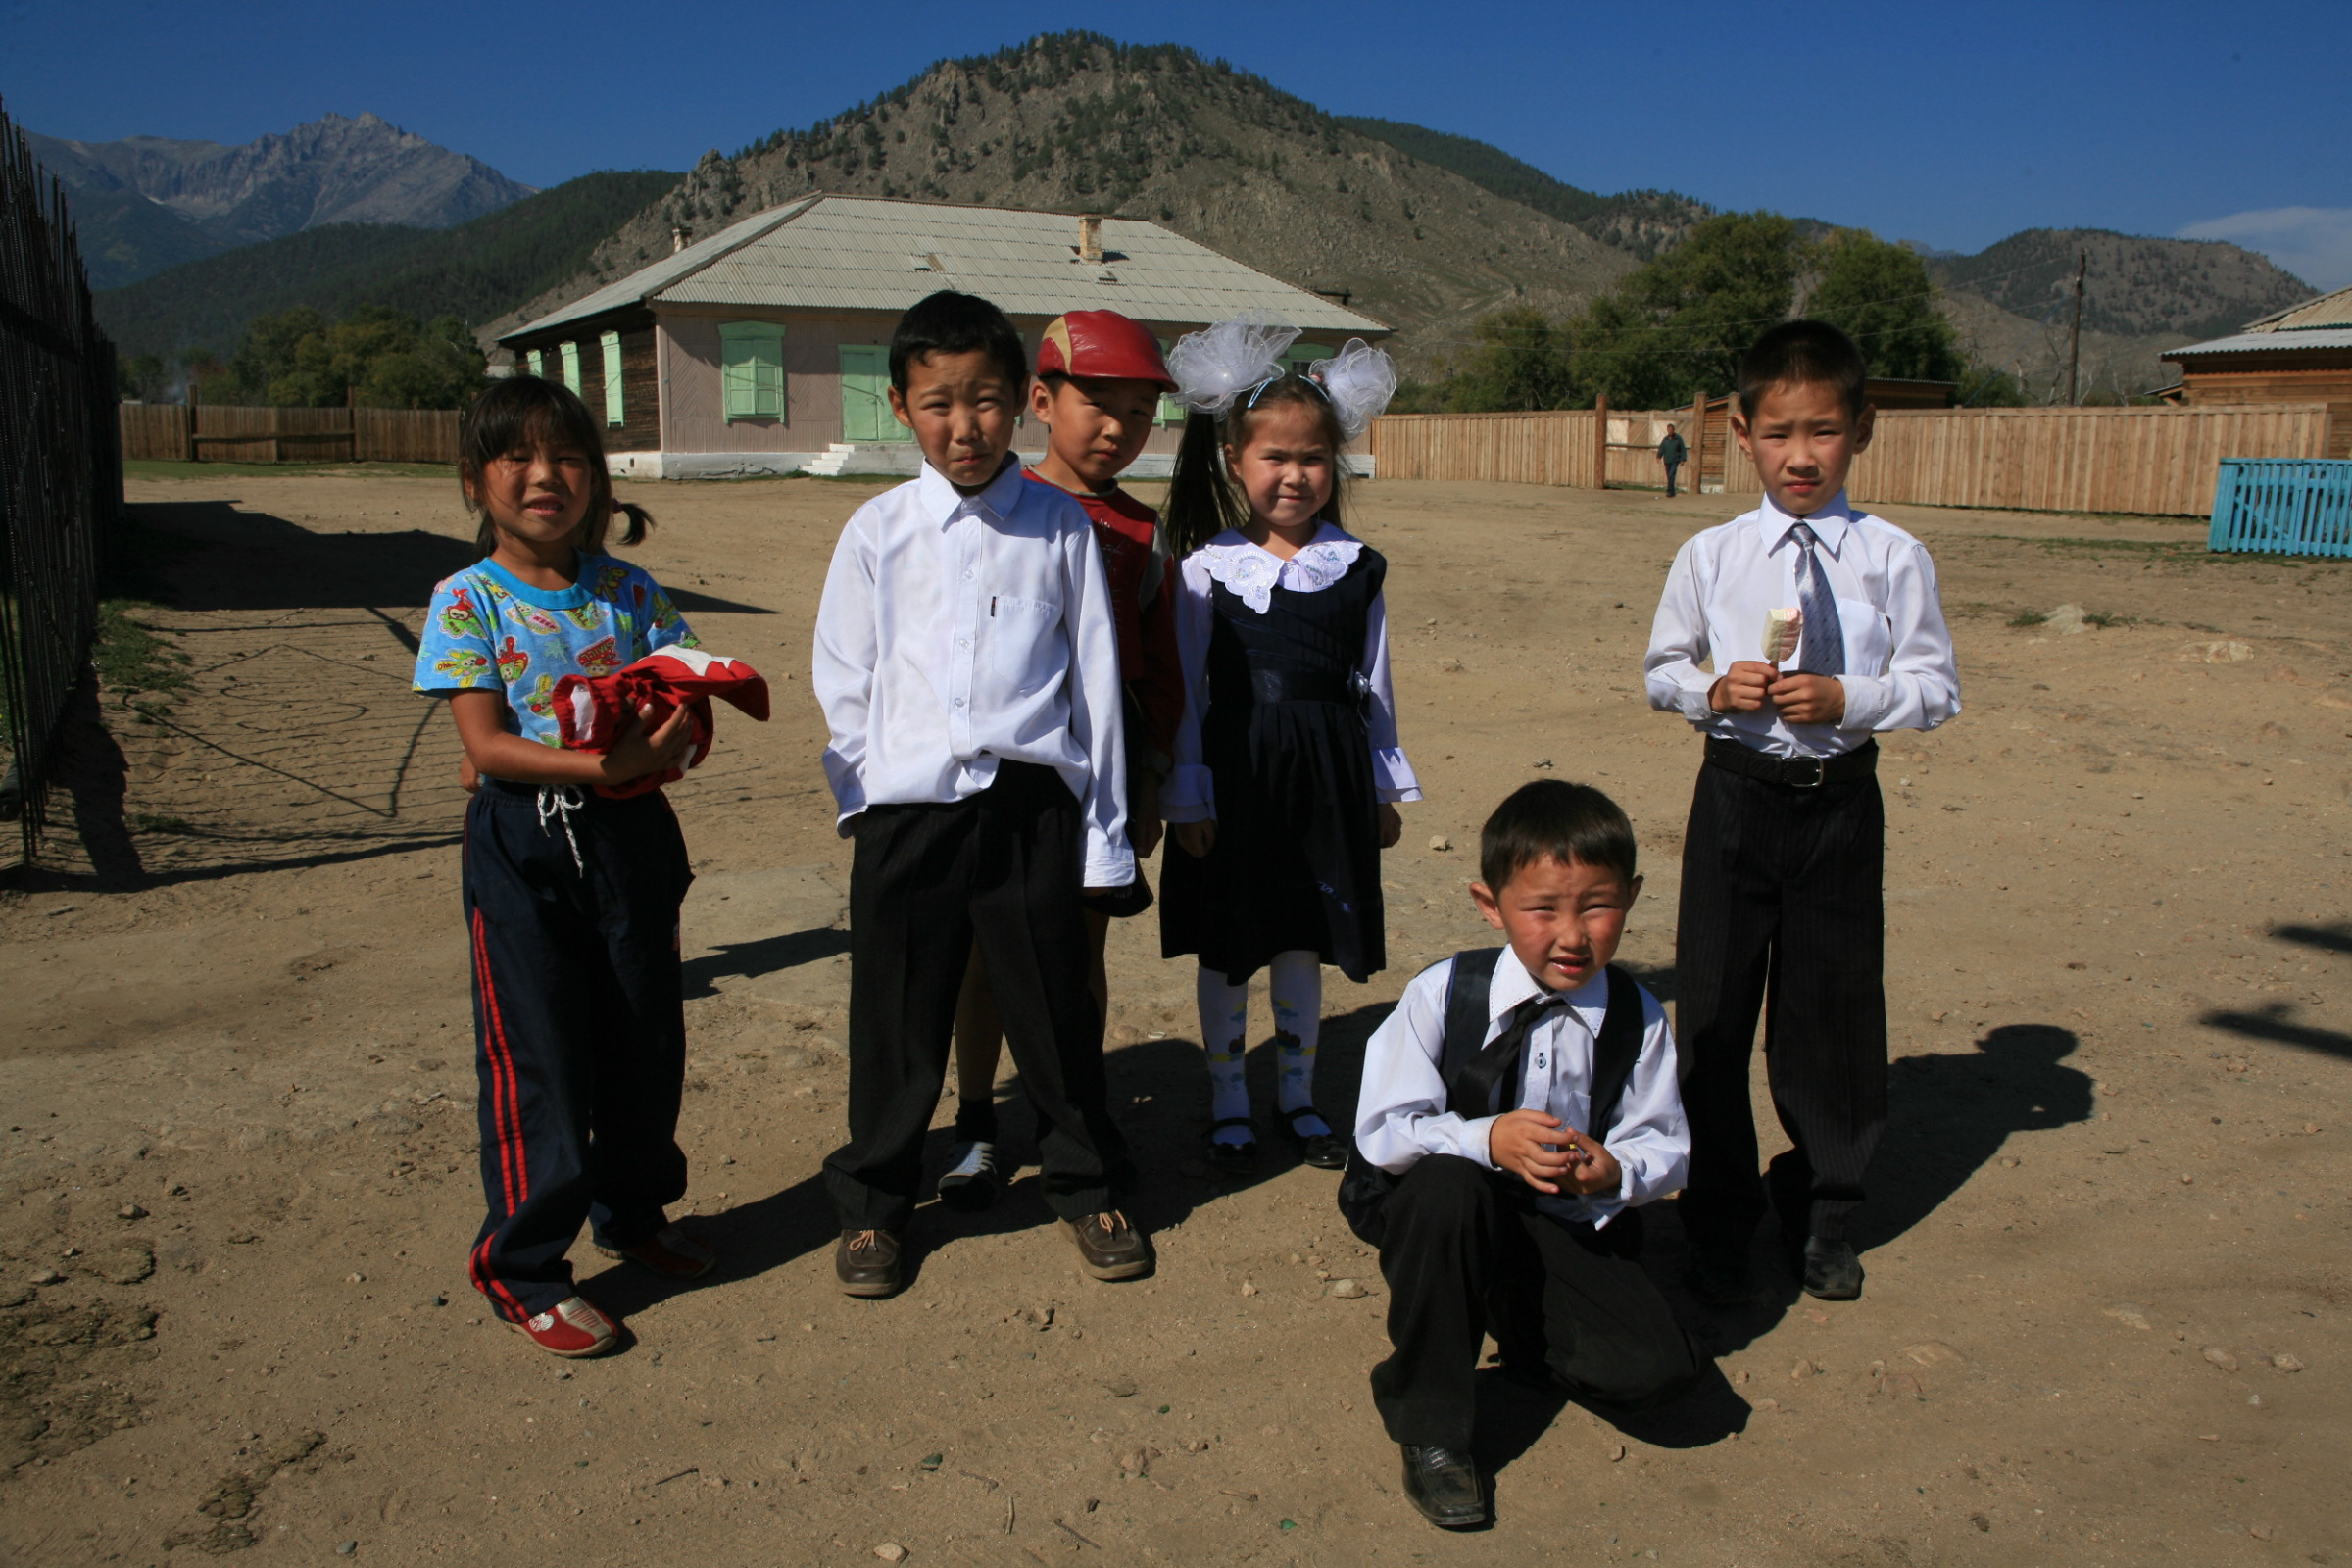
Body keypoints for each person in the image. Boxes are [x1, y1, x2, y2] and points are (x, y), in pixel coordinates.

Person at [811, 289, 1148, 1295]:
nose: (966, 427)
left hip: (1029, 809)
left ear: (1025, 402)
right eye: (939, 403)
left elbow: (1095, 683)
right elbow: (846, 677)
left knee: (1053, 1012)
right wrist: (870, 797)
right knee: (897, 1018)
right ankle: (875, 1206)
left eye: (989, 401)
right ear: (899, 407)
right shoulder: (877, 531)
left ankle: (1088, 1187)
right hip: (908, 815)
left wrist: (1102, 836)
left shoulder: (1058, 528)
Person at [1642, 320, 1962, 1307]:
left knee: (1833, 1012)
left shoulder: (1892, 557)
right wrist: (1714, 692)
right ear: (1741, 431)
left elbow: (1935, 686)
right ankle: (1717, 1217)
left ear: (1862, 430)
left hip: (1837, 805)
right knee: (1715, 1008)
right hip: (1737, 795)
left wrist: (1848, 698)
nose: (1801, 455)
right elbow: (1662, 672)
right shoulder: (1711, 554)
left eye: (1823, 431)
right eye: (1779, 432)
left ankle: (1826, 1211)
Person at [413, 375, 712, 1359]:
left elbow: (688, 675)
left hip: (631, 837)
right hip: (525, 844)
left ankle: (633, 1212)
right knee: (538, 1051)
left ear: (599, 478)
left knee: (642, 1033)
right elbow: (487, 748)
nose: (545, 477)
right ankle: (527, 1266)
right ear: (474, 478)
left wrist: (675, 727)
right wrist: (603, 762)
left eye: (569, 457)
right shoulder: (466, 601)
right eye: (517, 457)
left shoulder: (629, 591)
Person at [1346, 780, 1700, 1529]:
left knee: (1655, 1375)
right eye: (1543, 910)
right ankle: (1432, 1427)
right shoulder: (1444, 993)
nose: (1572, 935)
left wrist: (1616, 1171)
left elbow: (1664, 1143)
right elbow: (1383, 1129)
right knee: (1450, 1188)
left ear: (1632, 897)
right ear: (1490, 904)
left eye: (1597, 906)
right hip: (1438, 1211)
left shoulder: (1637, 1018)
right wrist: (1485, 1139)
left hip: (1560, 1221)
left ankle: (1512, 1305)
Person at [1156, 318, 1419, 1172]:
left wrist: (1384, 788)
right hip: (1236, 781)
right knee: (1231, 942)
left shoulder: (1359, 567)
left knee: (1303, 935)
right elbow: (1190, 693)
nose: (1295, 475)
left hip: (1327, 781)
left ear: (1333, 465)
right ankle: (1230, 1097)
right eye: (1275, 457)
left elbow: (1374, 685)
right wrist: (1189, 793)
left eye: (1312, 458)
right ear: (1236, 460)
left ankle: (1298, 1096)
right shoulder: (1204, 570)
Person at [941, 311, 1186, 1211]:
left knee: (1078, 955)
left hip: (1099, 781)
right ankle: (975, 1121)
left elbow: (1158, 670)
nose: (1119, 428)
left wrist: (1151, 775)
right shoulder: (983, 509)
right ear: (1040, 401)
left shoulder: (1140, 530)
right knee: (980, 955)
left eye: (1139, 411)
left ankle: (1073, 1113)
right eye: (1099, 405)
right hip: (996, 777)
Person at [1657, 422, 1688, 497]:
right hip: (1667, 460)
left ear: (1673, 430)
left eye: (1671, 429)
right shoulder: (1665, 439)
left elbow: (1682, 449)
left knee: (1671, 475)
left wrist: (1683, 459)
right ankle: (1672, 492)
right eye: (1668, 430)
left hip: (1675, 460)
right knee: (1669, 476)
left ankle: (1669, 491)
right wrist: (1659, 456)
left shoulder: (1678, 439)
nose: (1670, 431)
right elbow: (1661, 448)